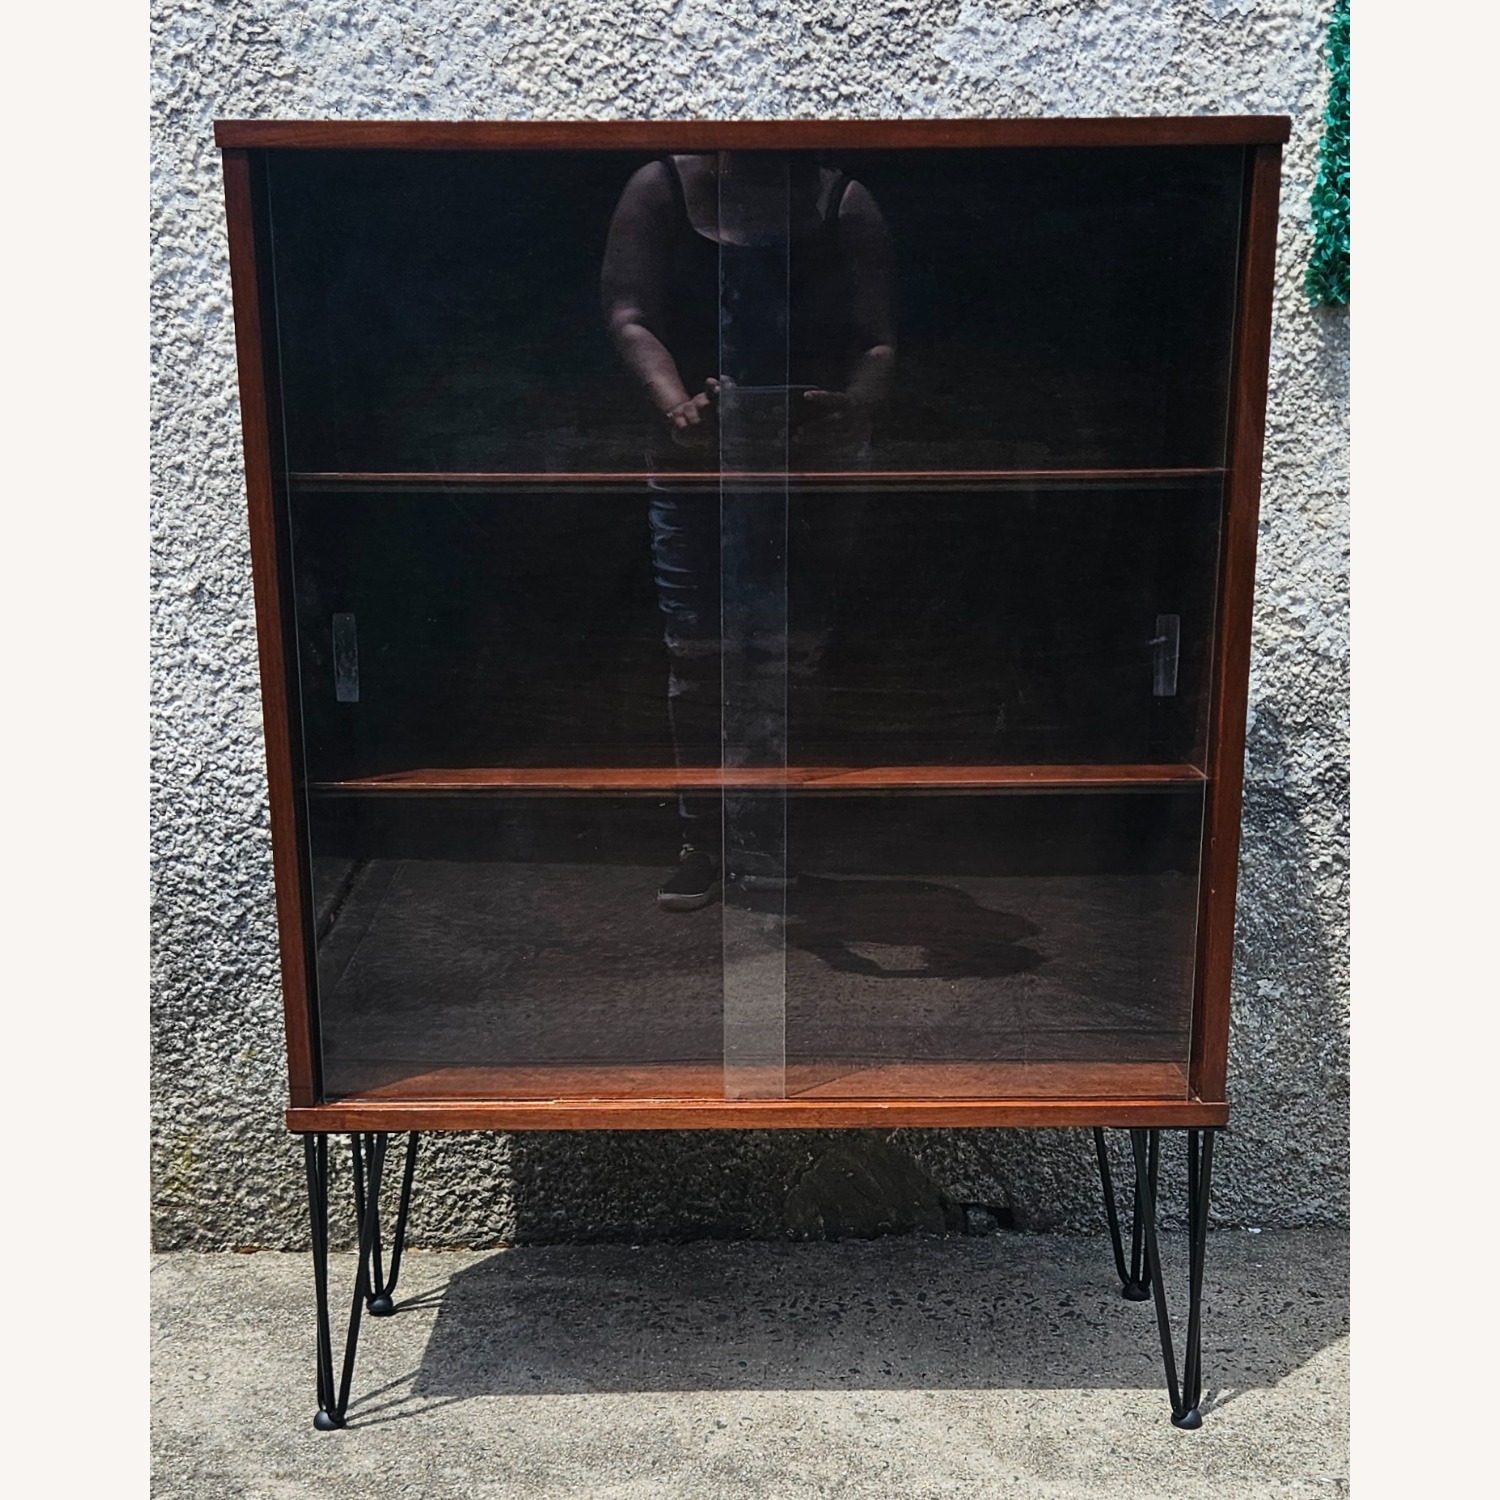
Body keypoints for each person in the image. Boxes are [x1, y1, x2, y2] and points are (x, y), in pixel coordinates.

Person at [601, 152, 898, 910]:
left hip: (812, 460)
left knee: (791, 652)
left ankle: (768, 837)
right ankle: (703, 837)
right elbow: (628, 314)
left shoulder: (842, 199)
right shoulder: (662, 187)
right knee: (698, 651)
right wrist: (677, 405)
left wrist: (852, 404)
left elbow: (879, 340)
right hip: (697, 457)